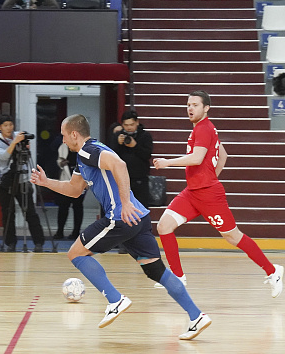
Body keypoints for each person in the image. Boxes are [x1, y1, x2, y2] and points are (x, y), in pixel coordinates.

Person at [31, 114, 211, 340]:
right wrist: (46, 182)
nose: (63, 140)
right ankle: (196, 316)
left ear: (74, 134)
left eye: (64, 135)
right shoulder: (84, 156)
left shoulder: (89, 151)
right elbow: (74, 189)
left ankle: (115, 300)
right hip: (138, 218)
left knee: (76, 253)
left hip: (120, 217)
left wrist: (125, 203)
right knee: (156, 271)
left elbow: (120, 164)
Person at [153, 90, 283, 298]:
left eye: (195, 105)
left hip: (208, 195)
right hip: (192, 192)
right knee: (164, 226)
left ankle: (273, 272)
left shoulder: (204, 128)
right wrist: (209, 176)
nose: (190, 108)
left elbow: (196, 158)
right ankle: (177, 276)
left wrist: (168, 162)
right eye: (188, 105)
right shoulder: (203, 128)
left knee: (232, 236)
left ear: (206, 108)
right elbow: (223, 155)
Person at [0, 116, 45, 253]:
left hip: (22, 179)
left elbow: (26, 154)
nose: (9, 128)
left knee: (30, 212)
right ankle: (10, 244)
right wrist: (14, 143)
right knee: (8, 214)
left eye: (10, 124)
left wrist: (25, 146)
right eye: (5, 125)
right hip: (5, 181)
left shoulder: (19, 136)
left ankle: (39, 242)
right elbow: (3, 157)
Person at [108, 110, 153, 209]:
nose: (129, 127)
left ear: (137, 122)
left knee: (141, 209)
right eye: (126, 125)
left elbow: (147, 155)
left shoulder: (145, 136)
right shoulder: (117, 136)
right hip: (121, 179)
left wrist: (135, 146)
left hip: (140, 178)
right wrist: (118, 144)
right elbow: (111, 156)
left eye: (132, 124)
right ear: (122, 124)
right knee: (121, 208)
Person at [53, 143, 85, 240]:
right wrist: (61, 163)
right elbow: (58, 160)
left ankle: (76, 232)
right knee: (63, 206)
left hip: (79, 180)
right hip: (66, 179)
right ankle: (60, 231)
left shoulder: (83, 146)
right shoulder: (63, 146)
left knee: (77, 206)